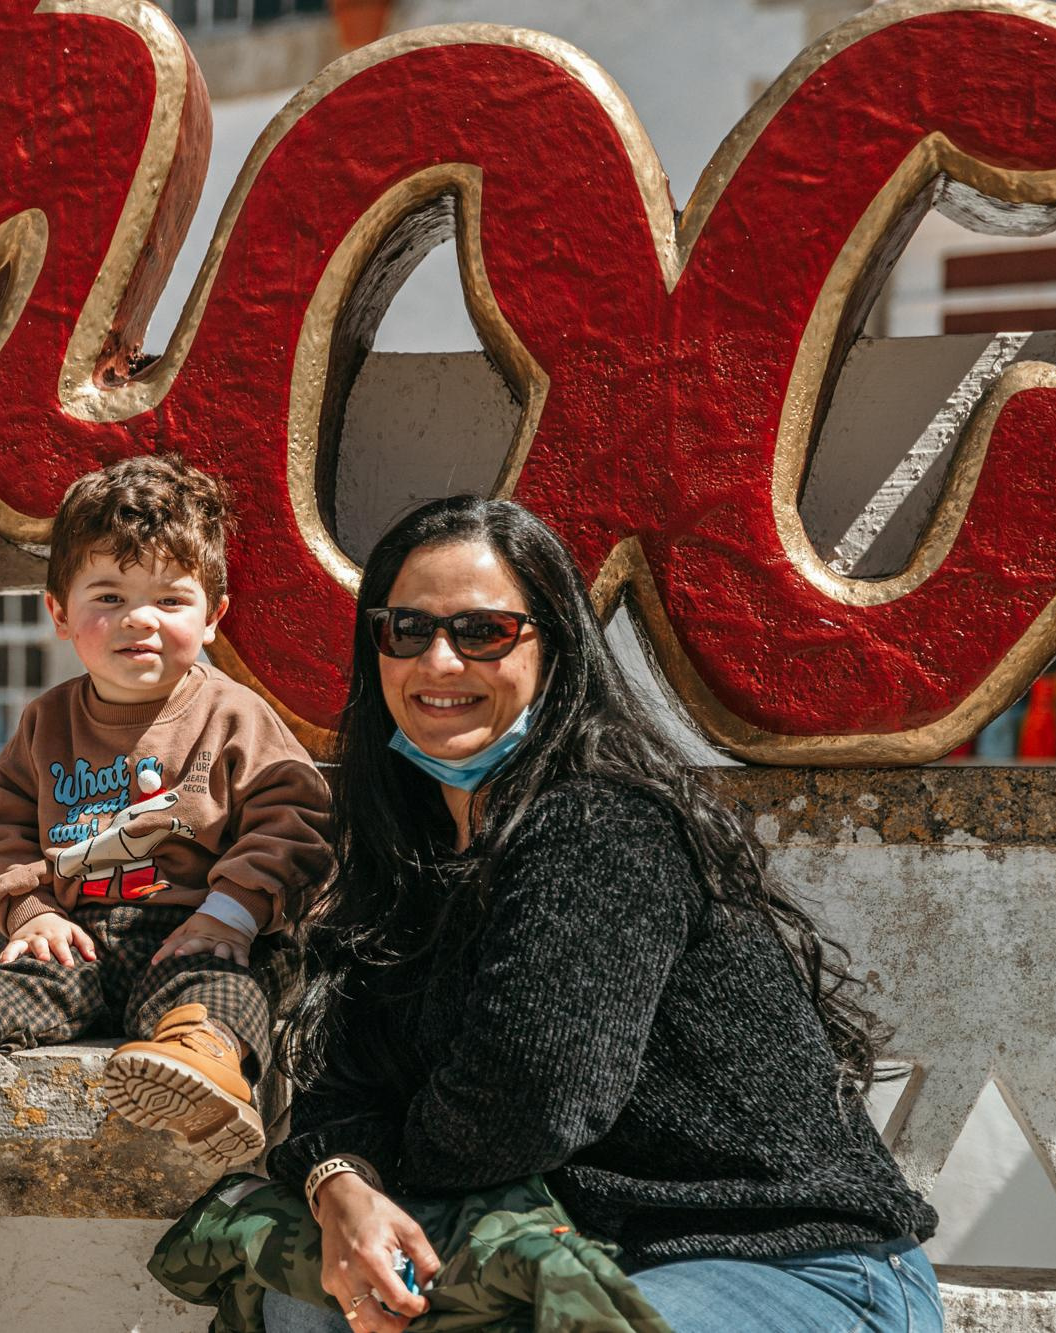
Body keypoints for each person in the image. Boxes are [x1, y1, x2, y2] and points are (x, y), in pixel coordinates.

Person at [260, 496, 941, 1333]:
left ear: (556, 651)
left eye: (482, 632)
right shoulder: (407, 865)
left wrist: (386, 1157)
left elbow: (527, 1103)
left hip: (783, 1261)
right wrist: (343, 1188)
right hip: (574, 1253)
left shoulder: (599, 824)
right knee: (308, 1295)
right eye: (406, 630)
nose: (438, 662)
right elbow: (341, 1088)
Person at [0, 454, 331, 1165]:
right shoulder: (45, 723)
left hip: (200, 932)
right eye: (110, 597)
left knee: (219, 992)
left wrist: (234, 911)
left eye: (170, 600)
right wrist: (32, 915)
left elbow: (295, 820)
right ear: (59, 613)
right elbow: (0, 829)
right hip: (80, 935)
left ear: (213, 615)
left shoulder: (234, 716)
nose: (139, 621)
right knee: (25, 983)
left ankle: (204, 1068)